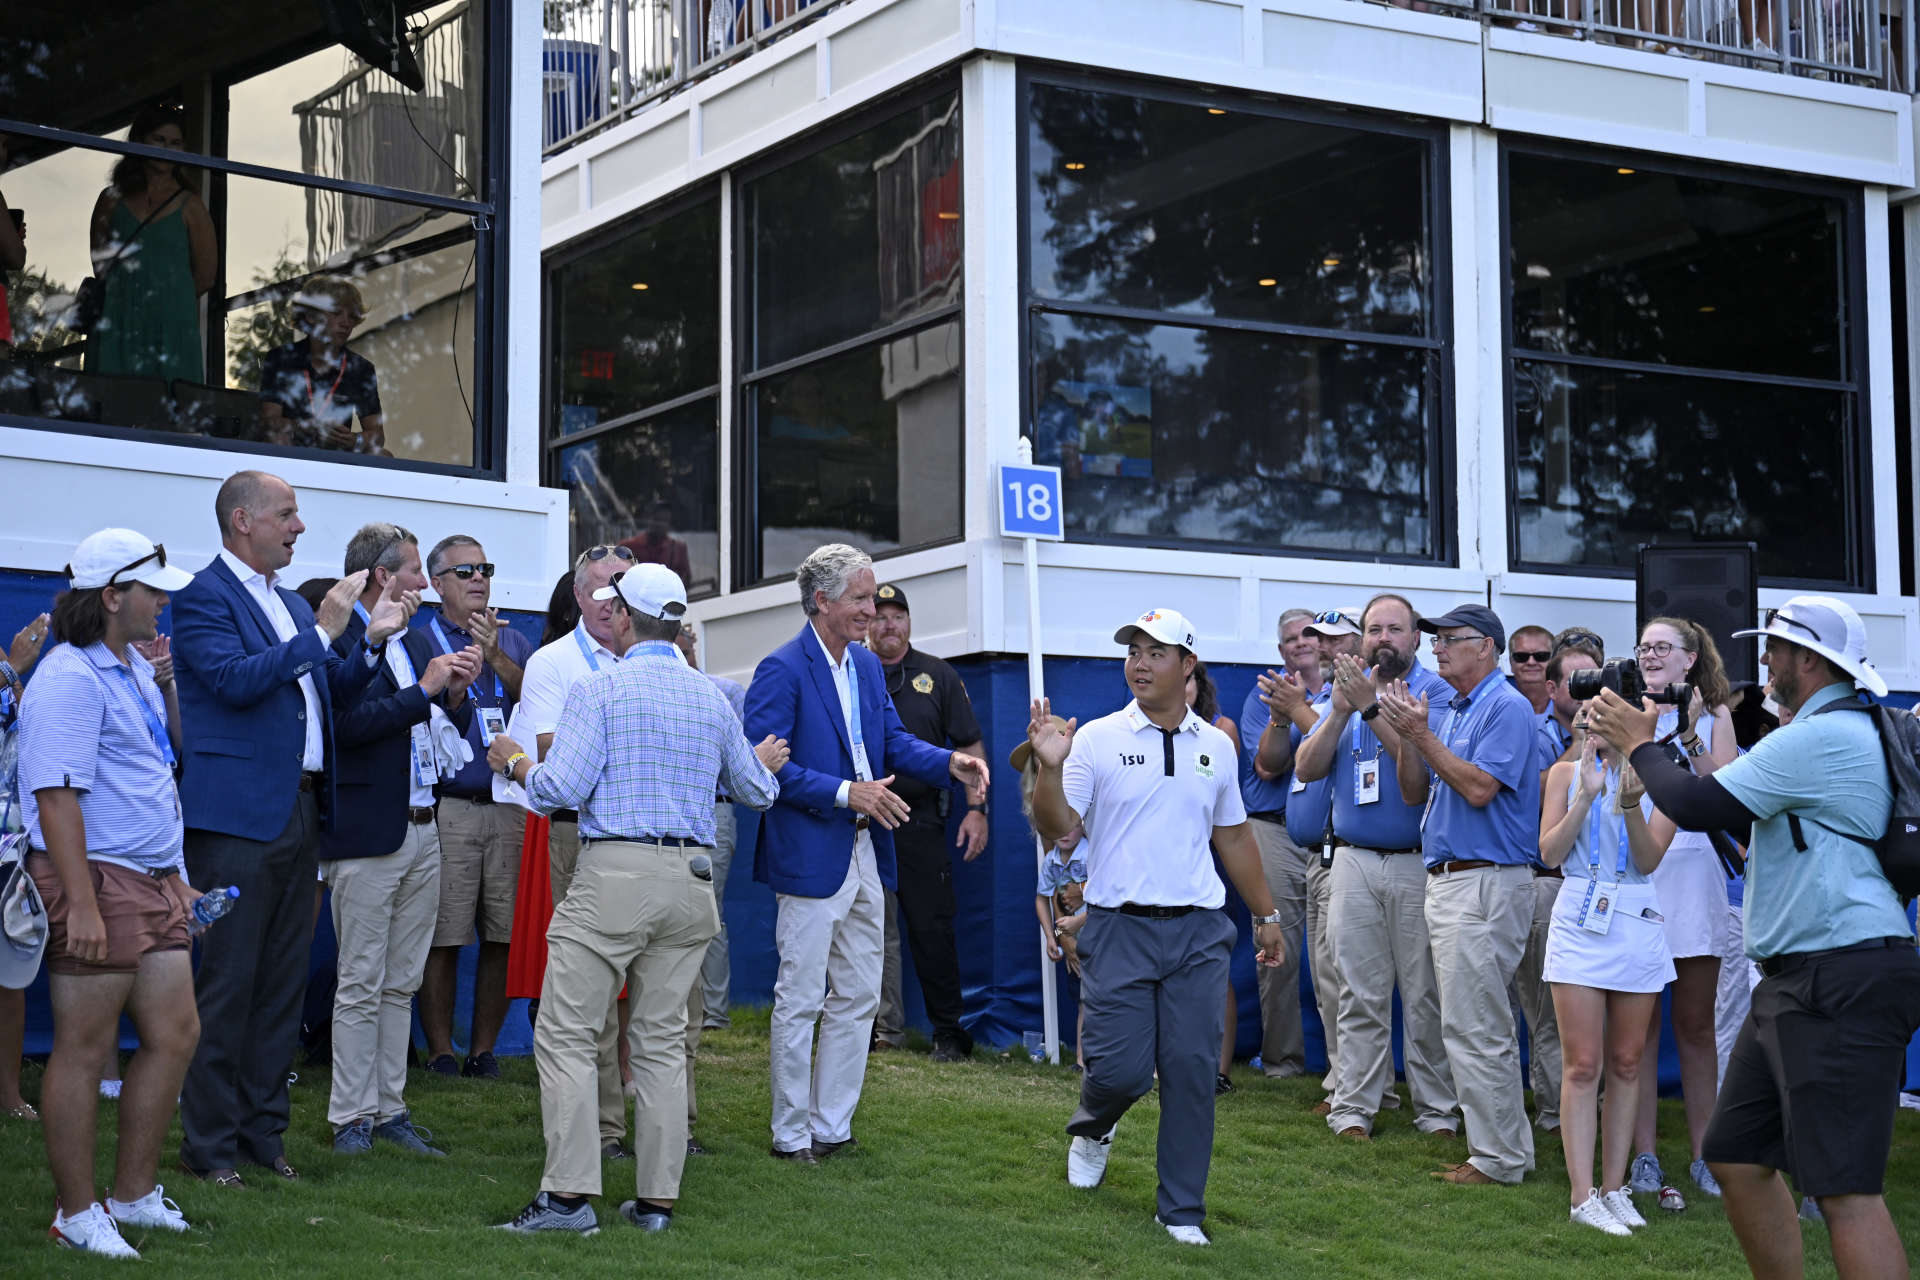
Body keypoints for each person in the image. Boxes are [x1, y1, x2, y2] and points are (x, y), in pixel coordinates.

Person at [1589, 595, 1920, 1280]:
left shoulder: (1820, 737)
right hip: (1802, 977)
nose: (1763, 659)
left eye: (1775, 647)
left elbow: (1694, 803)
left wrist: (1639, 743)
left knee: (1845, 1191)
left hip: (1839, 976)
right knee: (1736, 1155)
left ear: (1810, 660)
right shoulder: (1825, 732)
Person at [489, 564, 785, 1235]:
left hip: (616, 873)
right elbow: (759, 791)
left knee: (565, 1032)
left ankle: (566, 1200)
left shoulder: (601, 688)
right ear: (677, 623)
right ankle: (655, 1203)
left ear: (622, 616)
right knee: (659, 1045)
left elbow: (555, 789)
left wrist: (512, 761)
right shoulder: (711, 697)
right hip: (691, 880)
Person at [171, 469, 411, 1188]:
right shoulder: (202, 597)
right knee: (228, 985)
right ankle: (208, 1146)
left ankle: (261, 1136)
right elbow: (236, 683)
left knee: (278, 985)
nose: (299, 528)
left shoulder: (281, 604)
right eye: (288, 515)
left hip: (301, 810)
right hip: (239, 819)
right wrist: (323, 631)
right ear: (242, 521)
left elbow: (324, 694)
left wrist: (366, 645)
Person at [1026, 606, 1288, 1246]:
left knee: (1192, 1073)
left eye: (1156, 652)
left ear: (1188, 665)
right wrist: (1051, 767)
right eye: (1133, 651)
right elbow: (1055, 826)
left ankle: (1181, 1212)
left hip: (1199, 931)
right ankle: (1095, 1126)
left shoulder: (1218, 746)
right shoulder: (1095, 739)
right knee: (1119, 1072)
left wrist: (1267, 915)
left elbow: (1234, 838)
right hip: (1118, 928)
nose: (1139, 662)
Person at [743, 544, 989, 1165]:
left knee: (858, 996)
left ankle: (832, 1128)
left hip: (865, 851)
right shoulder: (781, 669)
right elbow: (762, 770)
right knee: (800, 997)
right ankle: (790, 1135)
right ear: (822, 601)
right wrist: (845, 792)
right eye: (860, 598)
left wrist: (950, 762)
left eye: (874, 596)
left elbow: (892, 741)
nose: (872, 610)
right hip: (810, 853)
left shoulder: (865, 667)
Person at [18, 529, 197, 1258]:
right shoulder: (68, 675)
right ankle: (76, 1211)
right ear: (112, 596)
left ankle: (132, 1195)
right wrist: (84, 902)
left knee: (176, 1033)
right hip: (96, 878)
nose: (162, 601)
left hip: (149, 879)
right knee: (86, 1049)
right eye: (152, 589)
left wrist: (176, 875)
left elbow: (149, 779)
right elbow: (56, 798)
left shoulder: (121, 667)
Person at [320, 524, 480, 1157]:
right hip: (367, 834)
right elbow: (347, 723)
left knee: (401, 981)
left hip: (422, 828)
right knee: (360, 981)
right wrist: (425, 691)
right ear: (384, 576)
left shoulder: (415, 640)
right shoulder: (340, 638)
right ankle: (349, 1118)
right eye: (417, 571)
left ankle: (389, 1111)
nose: (425, 583)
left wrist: (456, 692)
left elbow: (442, 722)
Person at [1377, 602, 1540, 1186]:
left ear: (1487, 648)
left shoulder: (1507, 706)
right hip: (1455, 879)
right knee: (1470, 1025)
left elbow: (1476, 789)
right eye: (1435, 638)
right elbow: (1412, 789)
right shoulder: (1451, 708)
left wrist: (1421, 731)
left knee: (1478, 1027)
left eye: (1450, 638)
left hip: (1485, 880)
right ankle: (1506, 1151)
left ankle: (1497, 1161)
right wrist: (1407, 737)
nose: (1436, 647)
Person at [1294, 593, 1459, 1142]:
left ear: (1416, 639)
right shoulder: (1345, 691)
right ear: (1361, 638)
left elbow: (1426, 783)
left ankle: (1436, 1111)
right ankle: (1355, 1108)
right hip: (1353, 859)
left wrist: (1369, 707)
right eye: (1373, 629)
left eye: (1395, 629)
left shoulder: (1436, 693)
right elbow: (1307, 766)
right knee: (1356, 991)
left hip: (1418, 863)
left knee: (1424, 995)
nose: (1383, 638)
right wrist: (1341, 709)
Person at [508, 545, 637, 1160]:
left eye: (626, 585)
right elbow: (552, 756)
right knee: (589, 982)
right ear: (580, 597)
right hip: (575, 831)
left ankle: (663, 1121)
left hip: (640, 835)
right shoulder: (551, 662)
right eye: (606, 586)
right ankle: (604, 1128)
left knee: (658, 986)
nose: (616, 597)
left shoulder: (656, 656)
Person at [1540, 714, 1677, 1236]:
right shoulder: (1562, 773)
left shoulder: (1660, 780)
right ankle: (1582, 1196)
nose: (1593, 730)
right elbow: (1550, 853)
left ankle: (1615, 1188)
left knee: (1626, 1061)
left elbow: (1649, 858)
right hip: (1579, 913)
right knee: (1583, 1064)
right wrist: (1585, 795)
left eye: (1604, 721)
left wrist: (1627, 802)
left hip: (1637, 916)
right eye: (1588, 721)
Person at [1625, 616, 1736, 1207]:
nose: (1649, 655)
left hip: (1693, 875)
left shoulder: (1717, 717)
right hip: (1638, 878)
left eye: (1661, 647)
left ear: (1690, 659)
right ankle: (1643, 1154)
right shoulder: (1625, 709)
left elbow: (1721, 793)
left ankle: (1704, 1155)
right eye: (1643, 646)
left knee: (1695, 1028)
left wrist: (1690, 731)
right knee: (1638, 1030)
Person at [417, 535, 534, 1080]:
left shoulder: (517, 641)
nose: (478, 578)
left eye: (484, 568)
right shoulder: (421, 640)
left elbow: (532, 698)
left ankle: (483, 1051)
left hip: (512, 802)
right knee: (443, 933)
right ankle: (440, 1050)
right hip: (453, 805)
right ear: (436, 583)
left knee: (503, 934)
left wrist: (494, 656)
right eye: (464, 571)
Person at [866, 582, 988, 1061]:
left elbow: (970, 745)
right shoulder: (855, 672)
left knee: (931, 927)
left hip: (919, 821)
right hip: (865, 816)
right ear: (866, 624)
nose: (888, 624)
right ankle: (881, 1030)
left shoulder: (937, 675)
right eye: (878, 616)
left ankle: (948, 1032)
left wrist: (977, 809)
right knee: (869, 929)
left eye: (897, 615)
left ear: (910, 623)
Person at [1513, 639, 1601, 1136]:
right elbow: (1534, 796)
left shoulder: (1624, 732)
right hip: (1546, 885)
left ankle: (1600, 1108)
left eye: (1596, 677)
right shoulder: (1534, 727)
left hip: (1607, 892)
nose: (1589, 690)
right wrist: (1581, 744)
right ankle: (1552, 1113)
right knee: (1546, 1011)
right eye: (1577, 680)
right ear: (1553, 688)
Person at [1235, 607, 1319, 1080]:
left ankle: (1347, 1069)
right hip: (1274, 827)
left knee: (1336, 953)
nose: (1300, 642)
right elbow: (1268, 767)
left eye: (1308, 634)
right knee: (1277, 951)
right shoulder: (1261, 694)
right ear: (1281, 650)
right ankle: (1282, 1062)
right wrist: (1283, 714)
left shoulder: (1342, 692)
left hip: (1332, 836)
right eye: (1290, 639)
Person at [83, 104, 216, 384]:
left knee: (170, 406)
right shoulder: (112, 198)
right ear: (140, 141)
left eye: (176, 143)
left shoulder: (191, 206)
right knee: (110, 400)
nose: (168, 148)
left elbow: (205, 276)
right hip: (118, 314)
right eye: (160, 140)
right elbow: (100, 262)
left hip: (171, 321)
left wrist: (168, 301)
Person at [673, 621, 745, 1032]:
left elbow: (739, 760)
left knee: (708, 912)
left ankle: (713, 1014)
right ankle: (678, 1009)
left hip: (713, 809)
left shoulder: (726, 692)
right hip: (665, 808)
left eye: (683, 641)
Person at [1019, 723, 1088, 1067]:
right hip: (1075, 929)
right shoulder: (1052, 850)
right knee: (1084, 996)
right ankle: (1083, 1059)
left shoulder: (1090, 826)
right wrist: (1061, 934)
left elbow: (1106, 890)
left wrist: (1075, 924)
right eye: (1039, 757)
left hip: (1104, 928)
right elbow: (1048, 893)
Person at [1186, 661, 1241, 1092]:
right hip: (1156, 881)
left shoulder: (1220, 734)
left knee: (1213, 973)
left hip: (1208, 870)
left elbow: (1227, 820)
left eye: (1189, 681)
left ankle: (1219, 1071)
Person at [259, 277, 386, 454]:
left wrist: (354, 439)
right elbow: (268, 423)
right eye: (336, 313)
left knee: (382, 455)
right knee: (277, 438)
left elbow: (378, 435)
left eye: (352, 316)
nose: (346, 323)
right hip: (294, 448)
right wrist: (306, 427)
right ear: (310, 316)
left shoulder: (361, 368)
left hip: (338, 452)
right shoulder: (281, 358)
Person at [617, 501, 693, 590]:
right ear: (648, 520)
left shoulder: (678, 548)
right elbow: (617, 579)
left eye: (665, 521)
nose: (660, 525)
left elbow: (685, 582)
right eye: (657, 520)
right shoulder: (628, 546)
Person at [1507, 625, 1554, 714]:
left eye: (1541, 656)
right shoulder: (1494, 707)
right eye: (1521, 657)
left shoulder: (1571, 706)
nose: (1531, 662)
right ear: (1511, 663)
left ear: (1554, 661)